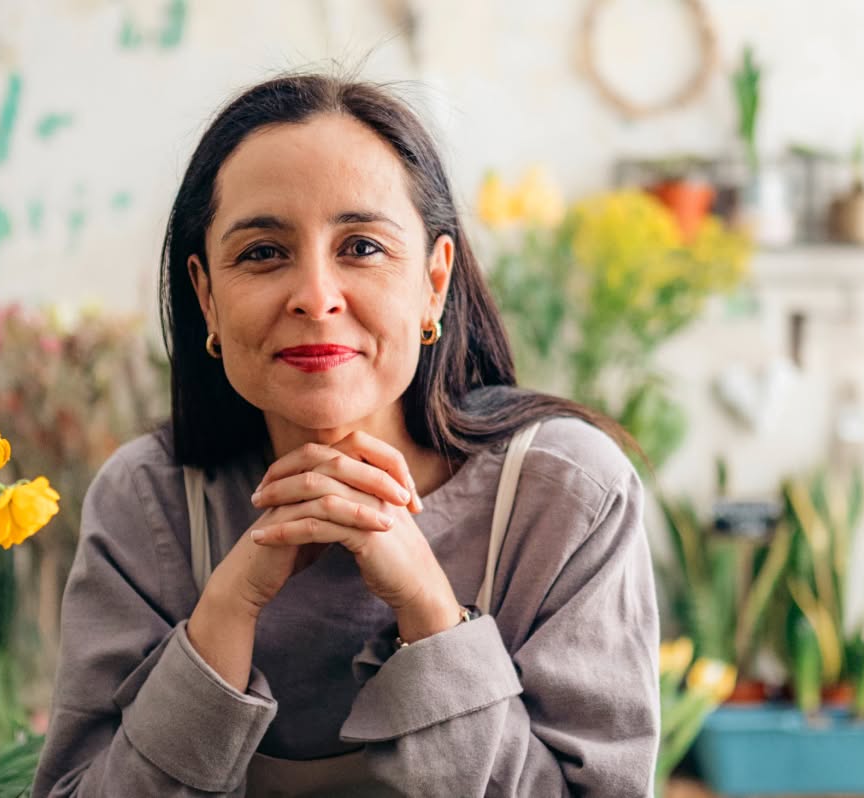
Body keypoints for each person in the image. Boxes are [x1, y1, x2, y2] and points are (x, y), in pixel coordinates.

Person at [33, 73, 660, 797]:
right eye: (264, 252)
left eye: (361, 247)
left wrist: (431, 613)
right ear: (206, 295)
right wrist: (225, 615)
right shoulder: (148, 502)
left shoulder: (566, 497)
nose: (316, 296)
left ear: (434, 281)